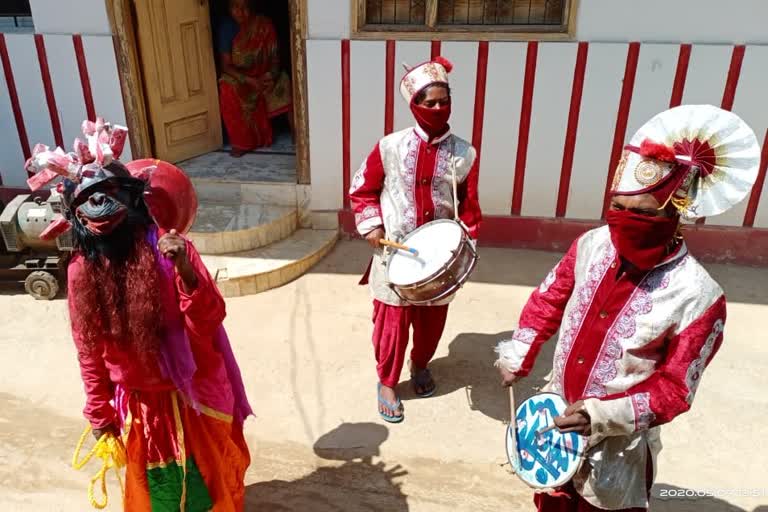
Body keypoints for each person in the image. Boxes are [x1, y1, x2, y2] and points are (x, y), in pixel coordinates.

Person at [495, 104, 761, 511]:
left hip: (616, 449)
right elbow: (549, 298)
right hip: (552, 427)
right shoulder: (591, 244)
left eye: (642, 214)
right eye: (617, 208)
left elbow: (676, 389)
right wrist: (518, 353)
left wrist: (602, 416)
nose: (623, 221)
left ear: (676, 214)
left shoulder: (701, 297)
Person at [26, 118, 253, 511]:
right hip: (142, 407)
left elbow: (210, 321)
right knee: (161, 495)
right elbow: (89, 349)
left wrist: (184, 269)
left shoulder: (173, 250)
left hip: (196, 393)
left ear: (134, 200)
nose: (98, 208)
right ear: (75, 216)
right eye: (87, 202)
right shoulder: (82, 271)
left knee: (208, 489)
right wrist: (99, 412)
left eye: (108, 194)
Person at [349, 57, 482, 423]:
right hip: (394, 251)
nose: (438, 108)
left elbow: (468, 202)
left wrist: (467, 241)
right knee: (391, 322)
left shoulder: (464, 152)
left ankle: (420, 364)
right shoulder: (389, 146)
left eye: (444, 101)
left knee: (431, 320)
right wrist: (372, 227)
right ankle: (387, 382)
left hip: (438, 256)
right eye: (430, 102)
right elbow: (362, 190)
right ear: (414, 105)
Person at [218, 0, 292, 156]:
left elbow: (275, 58)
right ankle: (241, 143)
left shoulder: (263, 25)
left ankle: (297, 133)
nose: (241, 12)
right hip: (240, 77)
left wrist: (271, 74)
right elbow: (226, 66)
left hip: (263, 74)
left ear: (251, 7)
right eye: (236, 7)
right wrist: (248, 80)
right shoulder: (226, 28)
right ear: (229, 8)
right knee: (226, 88)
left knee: (285, 81)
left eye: (245, 7)